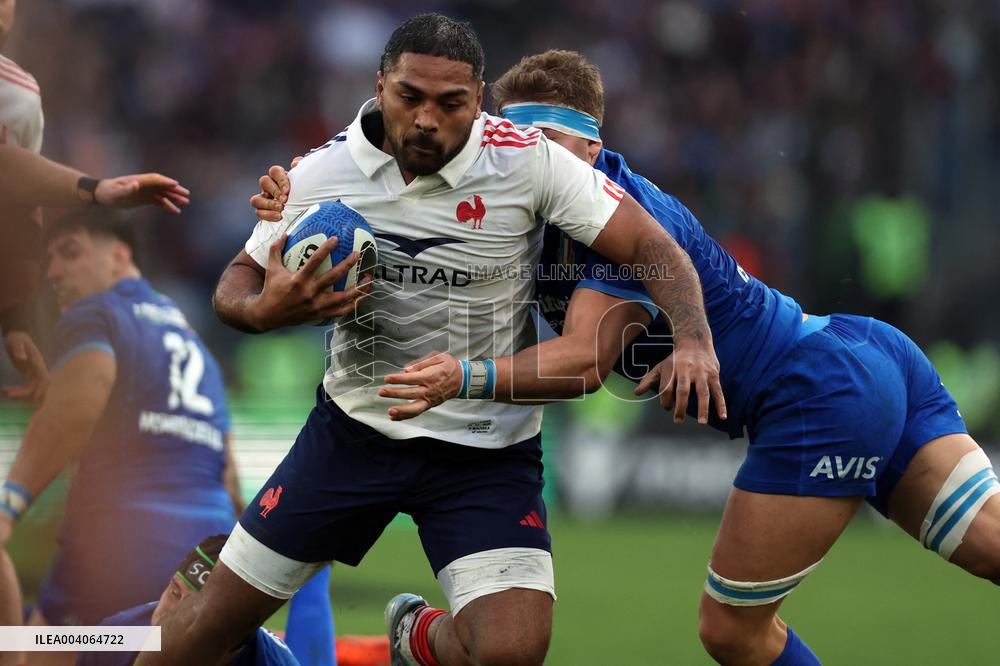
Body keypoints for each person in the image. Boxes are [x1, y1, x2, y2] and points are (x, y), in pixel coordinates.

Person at [334, 50, 997, 666]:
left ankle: (413, 640)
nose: (524, 163)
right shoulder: (524, 219)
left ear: (592, 149)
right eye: (510, 144)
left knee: (731, 631)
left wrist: (463, 377)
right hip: (862, 352)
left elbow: (585, 363)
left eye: (547, 146)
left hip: (816, 390)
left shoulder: (611, 219)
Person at [142, 13, 722, 666]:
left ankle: (412, 637)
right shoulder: (323, 172)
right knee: (204, 633)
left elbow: (652, 244)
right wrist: (264, 310)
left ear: (479, 101)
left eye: (450, 103)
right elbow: (237, 281)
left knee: (510, 654)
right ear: (380, 86)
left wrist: (693, 340)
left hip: (485, 450)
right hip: (354, 437)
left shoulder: (528, 163)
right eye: (409, 96)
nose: (426, 120)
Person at [0, 208, 239, 666]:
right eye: (50, 260)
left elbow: (78, 404)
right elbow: (227, 473)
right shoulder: (193, 340)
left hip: (120, 540)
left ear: (120, 255)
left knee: (31, 651)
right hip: (207, 549)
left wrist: (10, 504)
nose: (54, 272)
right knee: (133, 651)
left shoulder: (97, 312)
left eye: (70, 253)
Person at [75, 535, 299, 666]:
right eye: (174, 593)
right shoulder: (114, 637)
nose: (171, 615)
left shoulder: (273, 662)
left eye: (194, 608)